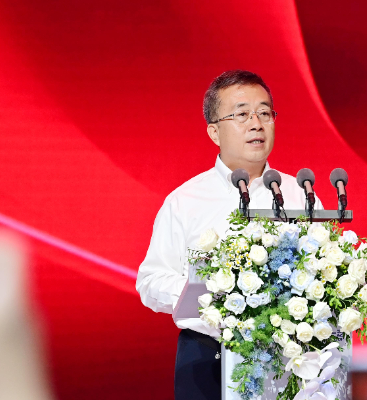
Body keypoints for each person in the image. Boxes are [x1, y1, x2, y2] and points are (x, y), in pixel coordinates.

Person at [136, 70, 322, 400]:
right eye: (242, 115)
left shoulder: (299, 196)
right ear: (214, 132)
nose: (256, 124)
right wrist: (211, 296)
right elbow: (151, 281)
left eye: (264, 113)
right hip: (207, 356)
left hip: (287, 356)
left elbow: (323, 271)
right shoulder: (185, 200)